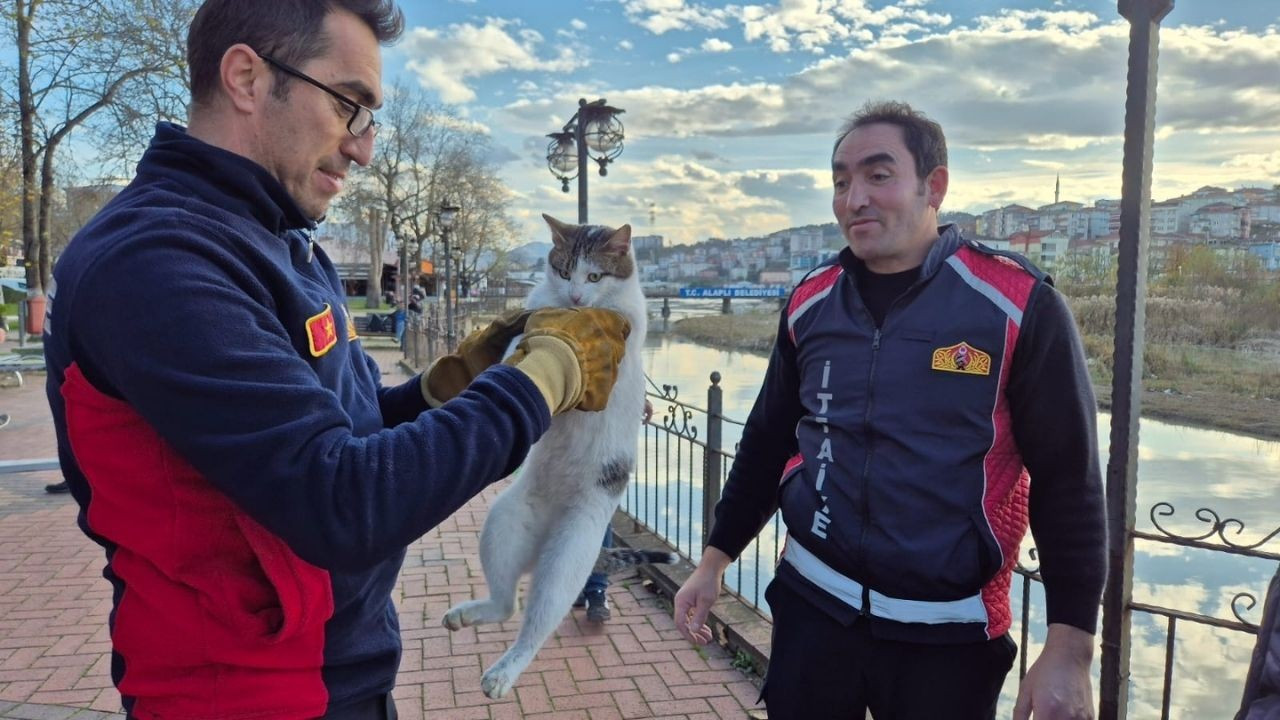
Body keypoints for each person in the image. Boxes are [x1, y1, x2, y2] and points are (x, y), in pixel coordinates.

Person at [41, 1, 630, 718]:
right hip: (241, 696)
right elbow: (341, 504)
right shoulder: (156, 261)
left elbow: (340, 431)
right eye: (350, 105)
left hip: (335, 672)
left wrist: (445, 389)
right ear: (247, 78)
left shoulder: (282, 241)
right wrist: (543, 379)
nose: (364, 147)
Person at [673, 101, 1106, 720]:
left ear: (935, 186)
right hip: (811, 609)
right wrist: (713, 561)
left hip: (948, 636)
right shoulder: (810, 301)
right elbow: (769, 440)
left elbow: (1069, 482)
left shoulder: (1016, 305)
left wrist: (1070, 647)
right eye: (841, 182)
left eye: (878, 175)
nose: (855, 199)